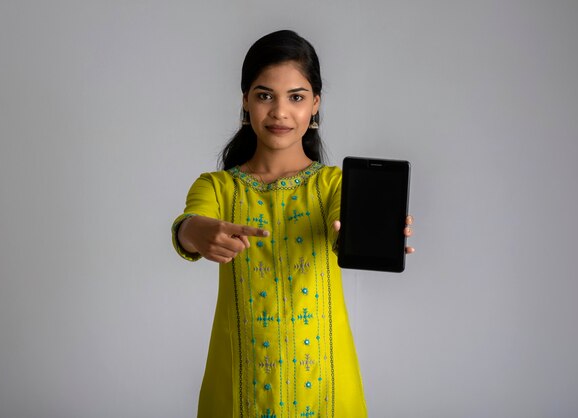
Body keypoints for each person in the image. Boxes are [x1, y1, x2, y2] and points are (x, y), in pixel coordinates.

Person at [171, 30, 414, 418]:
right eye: (265, 95)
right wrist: (195, 233)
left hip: (327, 393)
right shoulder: (218, 187)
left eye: (296, 97)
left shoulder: (334, 184)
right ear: (245, 102)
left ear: (315, 104)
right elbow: (190, 223)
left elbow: (343, 220)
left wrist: (363, 233)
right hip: (239, 394)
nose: (280, 111)